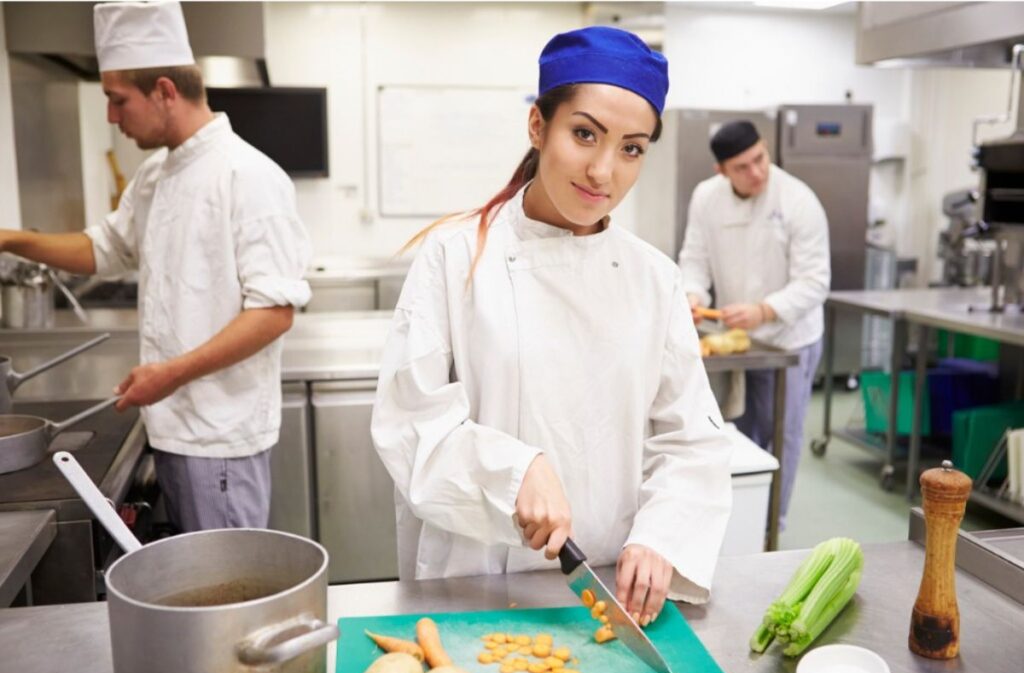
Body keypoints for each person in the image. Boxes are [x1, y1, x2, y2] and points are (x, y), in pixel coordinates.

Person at [371, 26, 732, 625]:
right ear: (538, 126)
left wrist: (662, 535)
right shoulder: (455, 258)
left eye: (631, 148)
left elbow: (690, 438)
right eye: (584, 134)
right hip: (474, 583)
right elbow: (410, 423)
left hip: (607, 592)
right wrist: (515, 473)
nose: (602, 171)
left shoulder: (654, 280)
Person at [0, 1, 311, 531]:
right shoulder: (154, 175)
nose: (111, 117)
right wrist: (12, 239)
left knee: (227, 598)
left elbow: (273, 313)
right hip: (169, 428)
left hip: (218, 442)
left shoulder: (248, 176)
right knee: (201, 594)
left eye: (118, 100)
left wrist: (168, 375)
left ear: (165, 91)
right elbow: (102, 249)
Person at [678, 120, 830, 528]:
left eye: (760, 159)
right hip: (737, 339)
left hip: (789, 338)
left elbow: (815, 282)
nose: (757, 172)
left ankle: (771, 522)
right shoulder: (706, 198)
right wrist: (693, 296)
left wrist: (765, 310)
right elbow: (694, 259)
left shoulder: (798, 200)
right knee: (734, 429)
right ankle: (735, 516)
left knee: (783, 433)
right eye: (743, 167)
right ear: (722, 171)